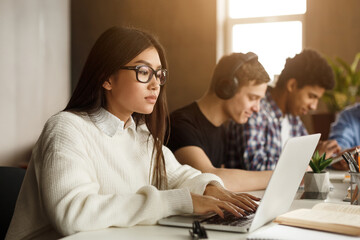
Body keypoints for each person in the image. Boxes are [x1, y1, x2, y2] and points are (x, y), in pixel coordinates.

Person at [6, 27, 259, 240]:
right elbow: (73, 215)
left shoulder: (139, 134)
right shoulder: (66, 128)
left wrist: (209, 187)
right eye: (144, 72)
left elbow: (178, 175)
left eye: (159, 74)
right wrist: (178, 201)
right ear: (107, 78)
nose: (155, 84)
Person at [166, 52, 273, 192]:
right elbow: (211, 179)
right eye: (253, 97)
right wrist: (281, 175)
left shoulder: (222, 129)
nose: (257, 108)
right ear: (227, 88)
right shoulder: (180, 124)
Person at [226, 49, 340, 171]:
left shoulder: (293, 119)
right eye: (311, 96)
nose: (314, 106)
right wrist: (314, 159)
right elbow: (256, 166)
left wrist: (334, 159)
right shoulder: (254, 111)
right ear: (292, 85)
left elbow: (307, 155)